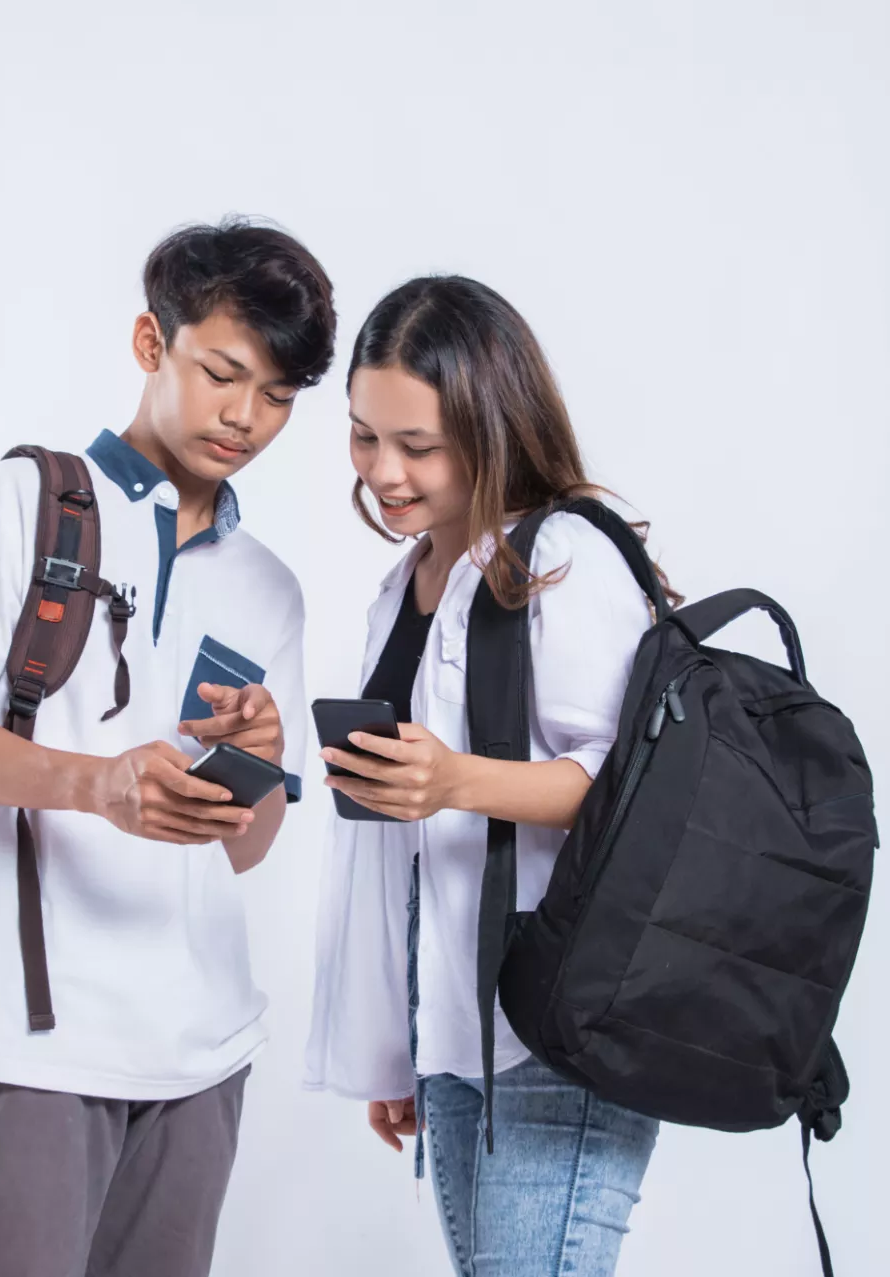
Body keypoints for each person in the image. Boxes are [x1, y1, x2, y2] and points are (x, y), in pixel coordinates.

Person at [0, 217, 334, 1277]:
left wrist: (262, 759)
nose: (247, 416)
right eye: (225, 372)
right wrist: (96, 783)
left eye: (277, 395)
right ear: (151, 343)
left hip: (201, 1042)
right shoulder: (21, 502)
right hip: (26, 1033)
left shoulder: (269, 585)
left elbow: (247, 847)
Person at [303, 275, 679, 1276]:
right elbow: (403, 846)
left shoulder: (562, 556)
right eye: (363, 435)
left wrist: (456, 778)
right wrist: (404, 1040)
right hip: (461, 1032)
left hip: (560, 1022)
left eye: (417, 446)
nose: (384, 471)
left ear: (491, 427)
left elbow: (624, 787)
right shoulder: (409, 583)